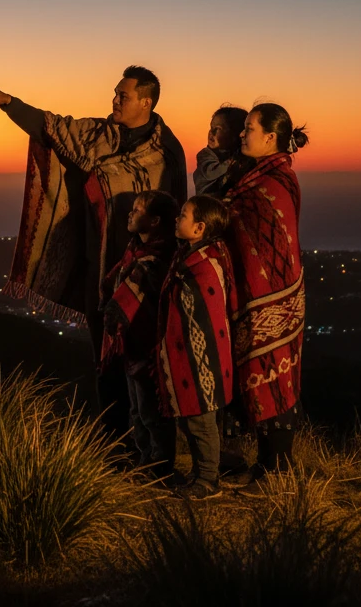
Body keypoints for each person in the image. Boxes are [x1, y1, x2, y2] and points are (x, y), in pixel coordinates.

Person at [0, 66, 187, 433]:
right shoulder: (99, 134)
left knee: (143, 358)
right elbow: (54, 127)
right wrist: (8, 103)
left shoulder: (167, 152)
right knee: (104, 357)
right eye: (115, 93)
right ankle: (115, 442)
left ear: (146, 102)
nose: (115, 100)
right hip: (98, 268)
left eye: (124, 95)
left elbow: (175, 210)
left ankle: (155, 448)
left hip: (144, 276)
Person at [222, 103, 308, 485]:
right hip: (256, 296)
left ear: (270, 137)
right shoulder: (252, 178)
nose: (243, 134)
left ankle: (276, 469)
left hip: (273, 297)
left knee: (274, 377)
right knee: (256, 375)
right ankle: (263, 466)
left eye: (249, 128)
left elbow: (270, 239)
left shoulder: (275, 182)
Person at [156, 195, 235, 500]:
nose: (177, 219)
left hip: (202, 358)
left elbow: (205, 314)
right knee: (191, 421)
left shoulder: (203, 266)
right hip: (191, 356)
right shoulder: (188, 258)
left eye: (184, 216)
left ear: (199, 228)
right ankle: (199, 474)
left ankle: (208, 479)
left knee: (201, 421)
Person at [98, 190, 179, 476]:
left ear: (155, 221)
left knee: (151, 410)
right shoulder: (134, 249)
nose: (130, 214)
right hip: (132, 344)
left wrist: (115, 312)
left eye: (137, 210)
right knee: (136, 409)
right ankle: (145, 459)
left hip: (149, 344)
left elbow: (144, 295)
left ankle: (160, 466)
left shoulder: (159, 257)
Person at [193, 105, 251, 197]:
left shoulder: (245, 160)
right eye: (211, 127)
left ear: (234, 135)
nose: (212, 132)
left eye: (219, 129)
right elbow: (210, 173)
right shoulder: (205, 155)